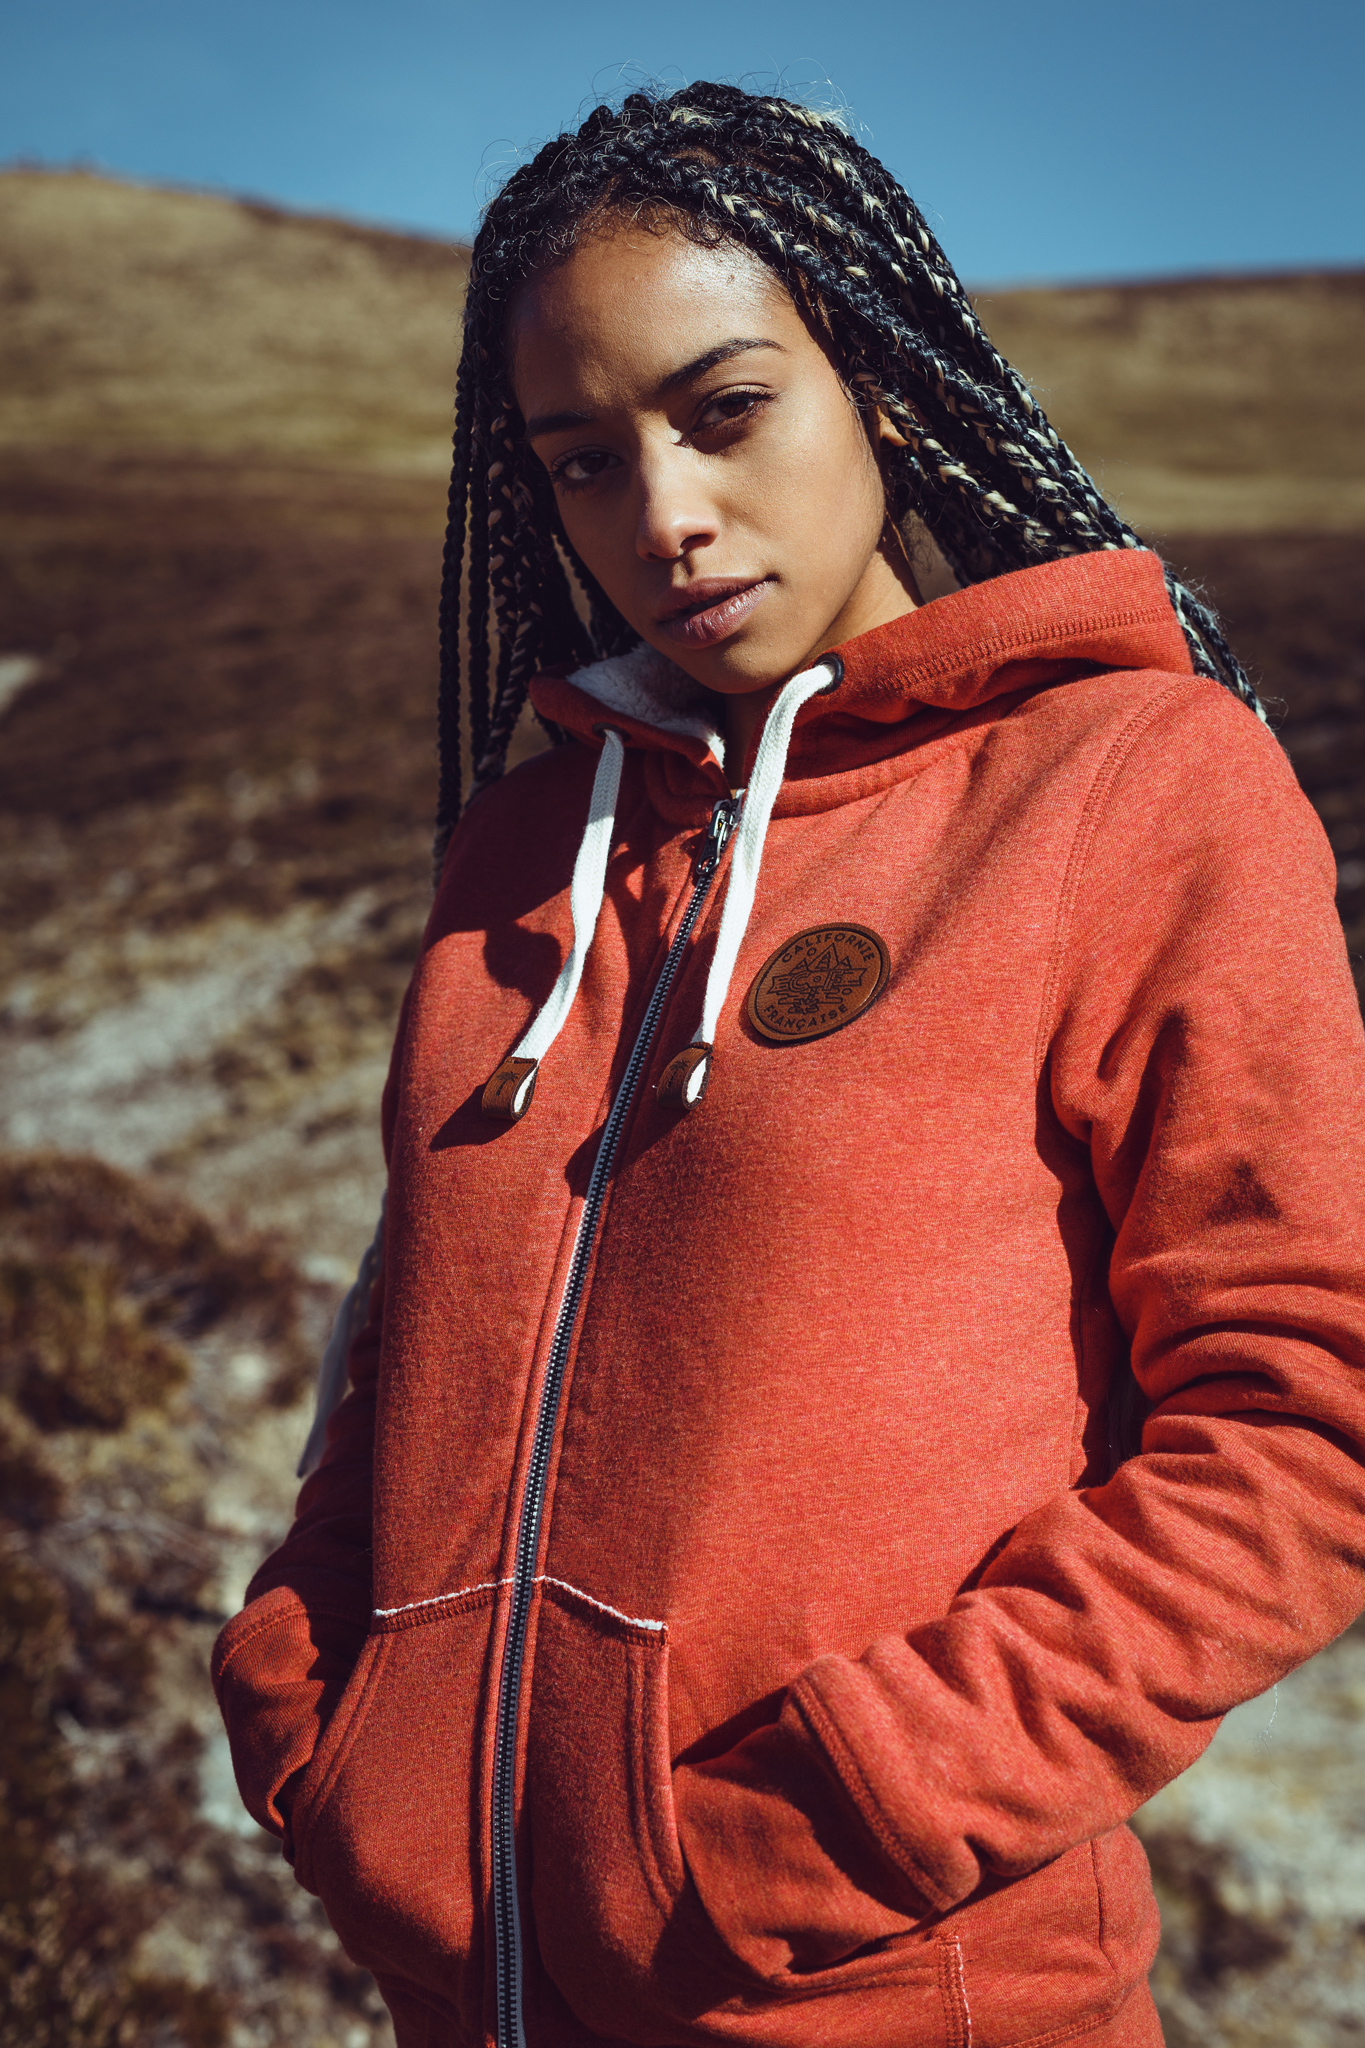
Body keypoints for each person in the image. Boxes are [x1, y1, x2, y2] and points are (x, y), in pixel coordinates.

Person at [212, 83, 1365, 2048]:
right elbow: (412, 1336)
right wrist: (315, 1715)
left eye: (723, 411)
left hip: (886, 1989)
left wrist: (845, 1810)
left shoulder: (1123, 787)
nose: (659, 516)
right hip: (467, 1999)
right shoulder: (519, 855)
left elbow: (1302, 1417)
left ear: (880, 388)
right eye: (582, 462)